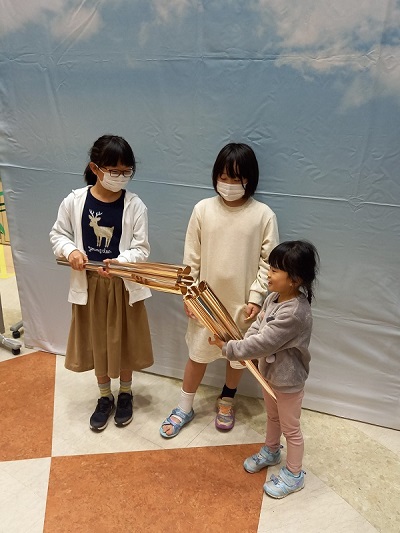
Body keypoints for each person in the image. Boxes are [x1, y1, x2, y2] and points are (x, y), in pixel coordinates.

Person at [160, 142, 279, 438]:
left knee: (238, 357)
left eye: (236, 178)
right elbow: (191, 258)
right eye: (223, 177)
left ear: (249, 179)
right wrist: (188, 294)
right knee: (198, 354)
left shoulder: (263, 215)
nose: (228, 185)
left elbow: (269, 262)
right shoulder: (202, 209)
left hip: (242, 303)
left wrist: (256, 297)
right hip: (205, 302)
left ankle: (227, 400)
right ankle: (184, 405)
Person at [50, 134, 153, 432]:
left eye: (126, 171)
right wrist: (70, 251)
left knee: (123, 340)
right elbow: (58, 235)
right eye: (114, 171)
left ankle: (125, 393)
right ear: (95, 169)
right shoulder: (74, 201)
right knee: (98, 341)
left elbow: (142, 248)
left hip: (122, 285)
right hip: (90, 284)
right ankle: (104, 396)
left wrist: (122, 262)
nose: (120, 178)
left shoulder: (135, 205)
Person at [209, 240, 319, 498]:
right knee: (272, 417)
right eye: (270, 267)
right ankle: (271, 450)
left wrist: (229, 348)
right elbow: (257, 329)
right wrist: (239, 343)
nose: (268, 274)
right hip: (269, 375)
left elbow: (264, 342)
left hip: (288, 381)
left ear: (295, 279)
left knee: (291, 428)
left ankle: (294, 474)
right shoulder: (272, 298)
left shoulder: (294, 312)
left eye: (275, 270)